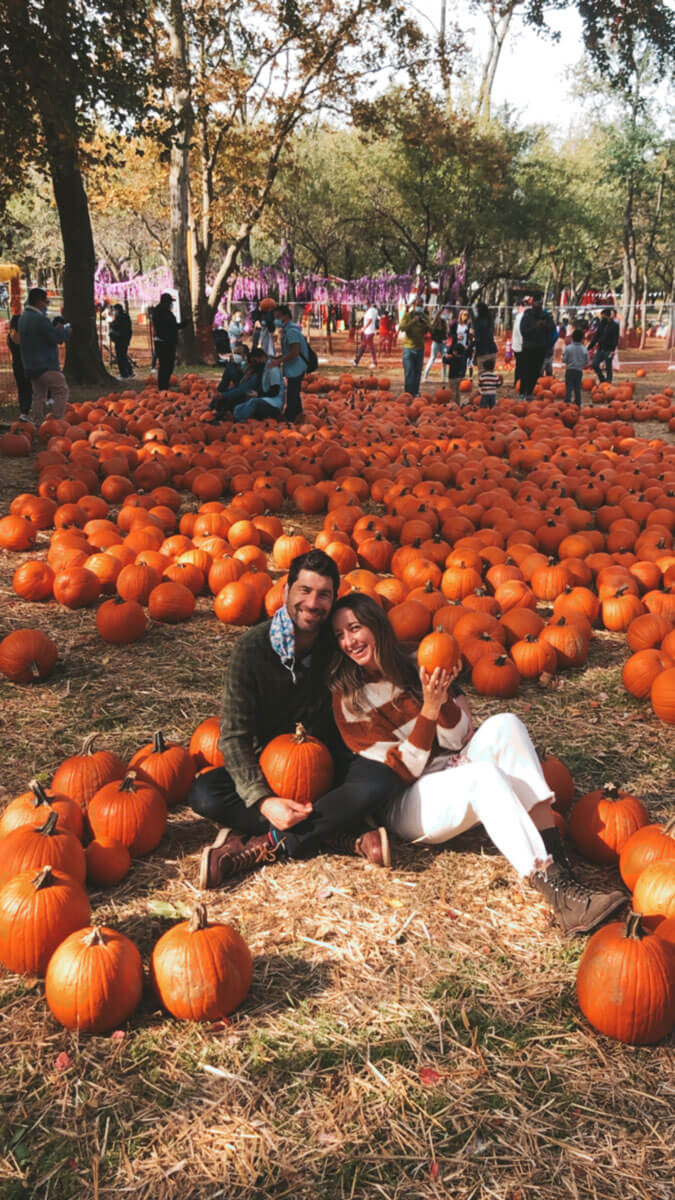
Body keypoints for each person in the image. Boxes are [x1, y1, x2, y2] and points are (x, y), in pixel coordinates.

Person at [329, 594, 626, 937]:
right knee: (482, 777)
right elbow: (402, 770)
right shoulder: (349, 700)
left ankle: (555, 858)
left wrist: (442, 702)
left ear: (376, 625)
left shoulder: (418, 656)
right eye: (340, 635)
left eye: (355, 629)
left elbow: (458, 739)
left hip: (449, 768)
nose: (349, 642)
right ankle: (553, 889)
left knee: (506, 724)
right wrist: (428, 708)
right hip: (408, 799)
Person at [194, 550, 402, 886]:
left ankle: (273, 842)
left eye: (323, 594)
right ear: (287, 589)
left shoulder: (338, 643)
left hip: (332, 766)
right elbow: (233, 736)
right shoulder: (252, 650)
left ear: (333, 599)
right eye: (304, 590)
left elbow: (387, 650)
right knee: (204, 793)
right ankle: (337, 831)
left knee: (384, 778)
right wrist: (263, 801)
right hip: (273, 769)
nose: (312, 602)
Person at [18, 287, 71, 424]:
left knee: (39, 395)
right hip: (45, 364)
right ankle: (57, 421)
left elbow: (40, 336)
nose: (46, 305)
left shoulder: (23, 318)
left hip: (30, 364)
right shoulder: (40, 319)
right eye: (46, 302)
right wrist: (65, 332)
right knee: (61, 390)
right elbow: (54, 338)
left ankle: (38, 422)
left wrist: (54, 331)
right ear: (39, 302)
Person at [271, 304, 310, 423]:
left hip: (296, 368)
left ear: (286, 316)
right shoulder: (288, 330)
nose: (276, 321)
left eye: (278, 317)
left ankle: (290, 418)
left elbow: (295, 352)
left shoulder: (292, 331)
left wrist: (279, 360)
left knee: (292, 394)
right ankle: (298, 416)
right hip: (293, 368)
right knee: (294, 393)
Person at [151, 293, 191, 391]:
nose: (171, 304)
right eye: (170, 302)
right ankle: (163, 386)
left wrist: (184, 323)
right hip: (164, 342)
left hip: (167, 342)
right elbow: (170, 327)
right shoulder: (161, 313)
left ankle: (164, 385)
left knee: (167, 365)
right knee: (166, 365)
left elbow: (174, 326)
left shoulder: (163, 312)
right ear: (166, 302)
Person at [233, 348, 284, 421]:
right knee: (238, 407)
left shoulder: (273, 369)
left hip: (274, 403)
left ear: (262, 357)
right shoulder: (264, 367)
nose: (256, 363)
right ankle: (238, 417)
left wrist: (258, 394)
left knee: (253, 402)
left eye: (256, 360)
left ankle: (239, 421)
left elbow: (274, 391)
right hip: (266, 399)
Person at [519, 299, 554, 399]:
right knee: (525, 371)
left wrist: (545, 325)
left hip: (541, 347)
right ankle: (522, 392)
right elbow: (524, 332)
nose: (538, 310)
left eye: (539, 308)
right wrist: (536, 327)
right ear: (532, 307)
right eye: (536, 308)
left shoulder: (546, 316)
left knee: (535, 371)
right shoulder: (527, 316)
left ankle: (529, 392)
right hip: (528, 347)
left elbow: (551, 328)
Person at [399, 303, 431, 396]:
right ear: (414, 305)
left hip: (420, 348)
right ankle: (408, 393)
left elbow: (432, 329)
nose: (419, 307)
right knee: (409, 371)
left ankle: (415, 392)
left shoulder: (425, 317)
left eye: (420, 304)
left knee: (417, 372)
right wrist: (412, 321)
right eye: (417, 304)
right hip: (408, 348)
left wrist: (426, 324)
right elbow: (402, 328)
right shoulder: (408, 316)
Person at [443, 309, 472, 403]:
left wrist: (468, 344)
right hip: (456, 347)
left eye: (467, 315)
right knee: (454, 363)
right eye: (464, 315)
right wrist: (456, 337)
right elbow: (450, 335)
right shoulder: (455, 325)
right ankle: (455, 378)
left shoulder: (468, 326)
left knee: (463, 364)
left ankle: (461, 377)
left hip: (463, 348)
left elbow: (469, 337)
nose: (465, 317)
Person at [7, 314, 32, 419]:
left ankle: (24, 411)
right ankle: (30, 409)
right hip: (27, 364)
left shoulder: (10, 335)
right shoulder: (24, 336)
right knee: (29, 388)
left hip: (16, 365)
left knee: (21, 388)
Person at [588, 307, 619, 383]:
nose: (601, 317)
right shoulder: (601, 324)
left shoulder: (614, 325)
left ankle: (608, 381)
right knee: (595, 364)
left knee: (608, 367)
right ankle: (602, 379)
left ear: (607, 315)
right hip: (600, 349)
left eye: (603, 316)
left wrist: (613, 350)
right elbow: (596, 336)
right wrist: (590, 346)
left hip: (608, 350)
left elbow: (615, 338)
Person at [562, 328, 589, 406]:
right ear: (582, 339)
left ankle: (567, 401)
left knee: (569, 386)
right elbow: (587, 361)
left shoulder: (568, 348)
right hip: (579, 370)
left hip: (570, 370)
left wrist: (568, 362)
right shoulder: (584, 349)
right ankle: (578, 402)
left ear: (572, 338)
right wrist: (581, 364)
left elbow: (564, 359)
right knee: (577, 387)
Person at [422, 309, 449, 382]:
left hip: (443, 344)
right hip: (436, 343)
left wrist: (445, 340)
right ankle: (425, 377)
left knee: (445, 360)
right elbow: (433, 336)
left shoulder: (444, 323)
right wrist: (441, 340)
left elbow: (446, 333)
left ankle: (443, 378)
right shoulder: (434, 324)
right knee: (432, 359)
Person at [471, 301, 497, 373]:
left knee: (482, 374)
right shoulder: (490, 320)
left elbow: (478, 339)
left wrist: (471, 347)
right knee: (490, 373)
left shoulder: (478, 321)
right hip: (492, 350)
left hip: (482, 351)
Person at [109, 303, 133, 378]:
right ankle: (129, 371)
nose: (114, 311)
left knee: (120, 357)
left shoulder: (121, 318)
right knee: (123, 356)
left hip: (121, 340)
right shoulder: (124, 317)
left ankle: (124, 374)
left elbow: (117, 327)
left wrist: (112, 326)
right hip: (124, 339)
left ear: (118, 310)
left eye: (115, 310)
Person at [353, 302, 379, 367]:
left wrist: (364, 327)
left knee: (370, 347)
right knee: (363, 345)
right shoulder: (374, 310)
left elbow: (370, 320)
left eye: (365, 305)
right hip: (368, 331)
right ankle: (356, 360)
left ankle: (374, 362)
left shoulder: (370, 311)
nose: (364, 306)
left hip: (368, 331)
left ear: (367, 304)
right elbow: (374, 320)